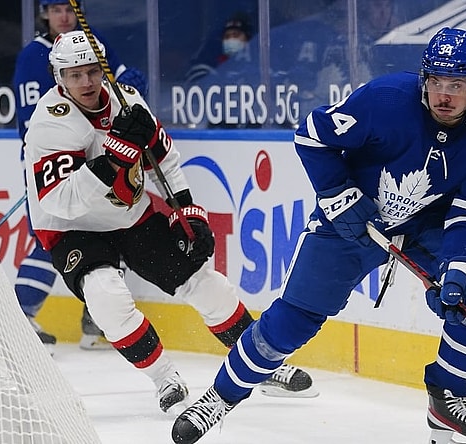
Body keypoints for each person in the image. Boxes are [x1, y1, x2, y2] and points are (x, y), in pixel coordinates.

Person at [172, 27, 466, 444]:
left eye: (457, 86)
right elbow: (312, 135)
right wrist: (337, 194)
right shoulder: (385, 99)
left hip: (429, 224)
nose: (444, 95)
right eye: (436, 83)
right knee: (293, 320)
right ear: (423, 79)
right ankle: (219, 397)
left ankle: (448, 399)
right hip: (353, 220)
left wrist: (459, 266)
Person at [23, 30, 318, 414]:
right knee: (106, 298)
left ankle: (259, 363)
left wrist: (187, 208)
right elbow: (62, 202)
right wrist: (112, 159)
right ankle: (165, 378)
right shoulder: (49, 125)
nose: (87, 82)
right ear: (58, 77)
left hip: (129, 215)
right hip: (72, 228)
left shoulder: (127, 102)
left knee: (206, 283)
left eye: (93, 71)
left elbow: (165, 159)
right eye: (75, 74)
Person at [12, 0, 148, 351]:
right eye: (55, 10)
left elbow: (119, 95)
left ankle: (95, 323)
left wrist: (132, 89)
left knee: (110, 235)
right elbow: (34, 122)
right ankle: (20, 316)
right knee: (54, 236)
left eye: (68, 9)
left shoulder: (93, 43)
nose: (64, 17)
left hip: (105, 162)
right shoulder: (34, 56)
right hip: (55, 161)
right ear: (45, 14)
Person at [184, 13, 253, 85]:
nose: (231, 39)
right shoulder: (211, 69)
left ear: (247, 39)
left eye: (235, 35)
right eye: (227, 36)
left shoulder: (258, 65)